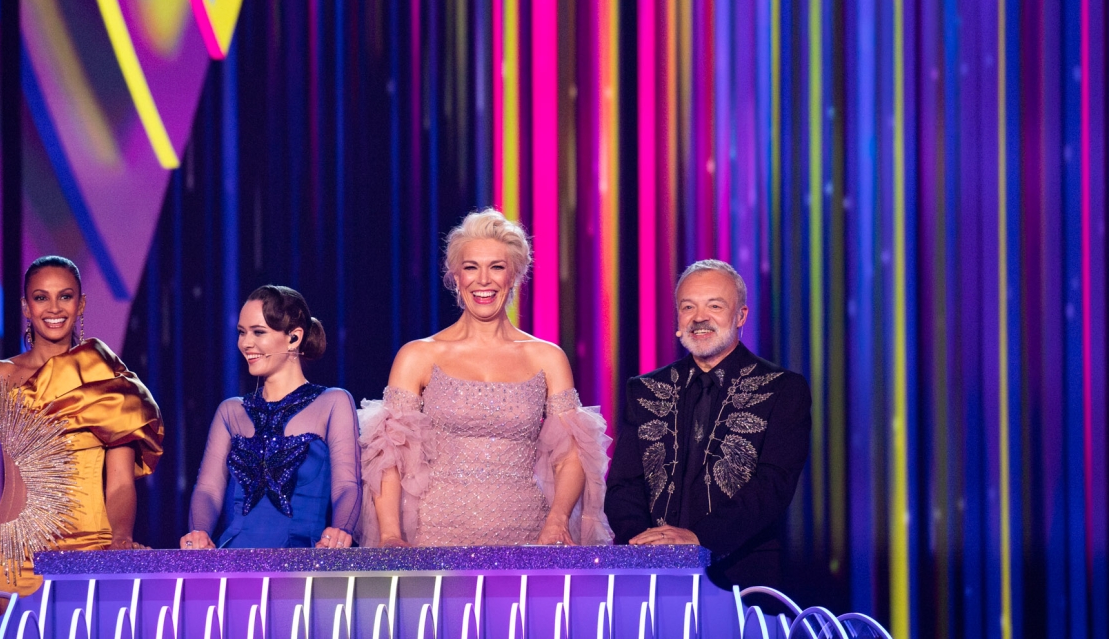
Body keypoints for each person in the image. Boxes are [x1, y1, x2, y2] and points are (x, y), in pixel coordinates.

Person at [359, 209, 612, 547]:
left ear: (515, 274)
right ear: (455, 276)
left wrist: (558, 519)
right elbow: (388, 455)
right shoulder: (418, 356)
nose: (483, 280)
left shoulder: (547, 358)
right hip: (436, 536)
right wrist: (390, 534)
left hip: (528, 536)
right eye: (471, 267)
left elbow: (572, 454)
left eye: (496, 267)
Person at [0, 256, 164, 614]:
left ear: (80, 304)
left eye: (64, 297)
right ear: (25, 306)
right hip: (15, 554)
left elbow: (121, 483)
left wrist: (121, 538)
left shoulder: (109, 381)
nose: (53, 308)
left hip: (93, 552)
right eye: (40, 297)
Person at [605, 259, 810, 588]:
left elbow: (773, 486)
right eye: (688, 307)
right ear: (678, 318)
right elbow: (623, 485)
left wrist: (698, 540)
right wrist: (644, 548)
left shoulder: (782, 389)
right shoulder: (643, 390)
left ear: (741, 315)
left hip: (742, 577)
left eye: (714, 305)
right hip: (649, 577)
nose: (699, 318)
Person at [180, 286, 360, 550]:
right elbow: (208, 489)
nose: (245, 343)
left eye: (258, 332)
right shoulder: (231, 411)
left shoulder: (333, 403)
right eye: (241, 332)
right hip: (233, 560)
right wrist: (199, 532)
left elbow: (347, 485)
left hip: (302, 560)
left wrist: (342, 530)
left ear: (294, 338)